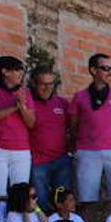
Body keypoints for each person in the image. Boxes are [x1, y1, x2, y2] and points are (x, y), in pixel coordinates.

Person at [69, 53, 111, 216]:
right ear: (93, 70)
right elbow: (73, 126)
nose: (109, 72)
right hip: (87, 151)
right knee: (86, 197)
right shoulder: (80, 97)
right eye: (105, 68)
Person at [0, 55, 34, 194]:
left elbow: (31, 122)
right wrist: (14, 107)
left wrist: (22, 107)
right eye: (17, 70)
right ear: (4, 71)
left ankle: (16, 217)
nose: (21, 74)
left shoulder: (25, 93)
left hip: (21, 150)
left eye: (22, 70)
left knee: (21, 195)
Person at [25, 65, 74, 209]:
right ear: (34, 83)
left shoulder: (62, 103)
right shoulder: (29, 104)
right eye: (43, 84)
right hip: (38, 162)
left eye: (51, 84)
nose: (47, 88)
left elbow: (73, 127)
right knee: (40, 201)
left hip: (61, 161)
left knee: (64, 200)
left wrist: (71, 149)